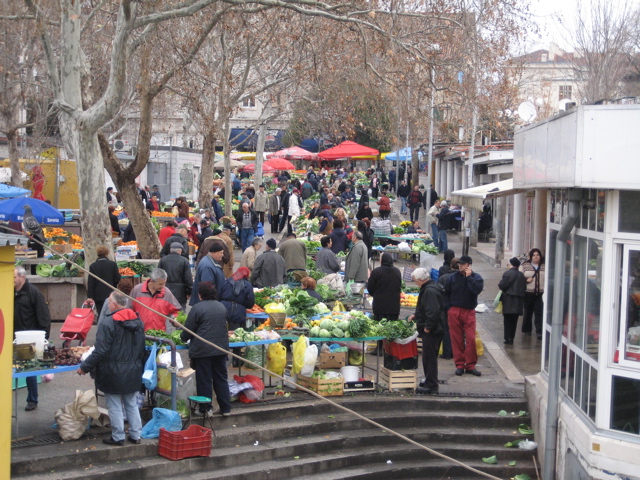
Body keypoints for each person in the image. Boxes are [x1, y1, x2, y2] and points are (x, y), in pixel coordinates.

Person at [77, 292, 145, 445]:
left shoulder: (108, 323)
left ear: (114, 304)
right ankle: (135, 434)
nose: (107, 305)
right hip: (133, 370)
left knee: (114, 405)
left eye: (109, 303)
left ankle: (118, 436)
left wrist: (85, 367)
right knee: (131, 404)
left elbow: (100, 350)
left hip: (112, 371)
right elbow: (141, 348)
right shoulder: (138, 321)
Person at [180, 281, 231, 417]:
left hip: (203, 350)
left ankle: (206, 408)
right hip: (220, 349)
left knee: (204, 379)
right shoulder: (221, 307)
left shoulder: (197, 308)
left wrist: (182, 337)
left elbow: (187, 330)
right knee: (221, 378)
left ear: (200, 294)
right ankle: (225, 408)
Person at [14, 267, 51, 411]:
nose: (12, 280)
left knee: (29, 370)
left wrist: (44, 338)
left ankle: (32, 400)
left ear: (22, 277)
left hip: (29, 339)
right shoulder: (11, 292)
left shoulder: (34, 293)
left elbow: (44, 317)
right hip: (14, 337)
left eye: (14, 277)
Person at [444, 255, 484, 376]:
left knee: (471, 338)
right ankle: (460, 365)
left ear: (469, 265)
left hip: (469, 311)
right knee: (457, 339)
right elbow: (446, 293)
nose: (460, 266)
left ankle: (471, 365)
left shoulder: (477, 278)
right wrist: (448, 308)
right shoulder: (453, 277)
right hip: (455, 310)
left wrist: (469, 278)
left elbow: (476, 290)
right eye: (459, 264)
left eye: (463, 264)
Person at [410, 268, 447, 394]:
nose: (415, 283)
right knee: (428, 357)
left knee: (429, 357)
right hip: (435, 328)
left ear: (420, 280)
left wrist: (428, 327)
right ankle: (429, 380)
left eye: (415, 281)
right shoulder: (431, 287)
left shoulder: (429, 291)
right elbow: (427, 308)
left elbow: (433, 311)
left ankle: (431, 385)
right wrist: (416, 315)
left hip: (433, 330)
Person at [367, 252, 402, 355]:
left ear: (382, 261)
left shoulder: (377, 272)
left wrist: (376, 294)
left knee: (380, 327)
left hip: (380, 304)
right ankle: (390, 349)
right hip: (394, 305)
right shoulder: (397, 271)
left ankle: (379, 348)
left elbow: (370, 288)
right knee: (391, 327)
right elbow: (399, 285)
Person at [498, 257, 527, 345]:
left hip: (508, 300)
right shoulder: (521, 275)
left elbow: (502, 285)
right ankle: (512, 338)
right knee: (514, 321)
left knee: (507, 320)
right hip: (518, 301)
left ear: (511, 264)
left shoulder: (507, 273)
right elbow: (524, 288)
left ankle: (507, 338)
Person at [87, 246, 121, 318]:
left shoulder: (93, 266)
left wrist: (90, 296)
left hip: (98, 294)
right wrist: (113, 285)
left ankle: (100, 326)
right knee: (110, 313)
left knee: (100, 313)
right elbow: (117, 277)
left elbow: (91, 282)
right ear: (106, 254)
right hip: (110, 293)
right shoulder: (112, 264)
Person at [157, 242, 194, 310]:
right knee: (180, 313)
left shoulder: (163, 260)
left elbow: (158, 275)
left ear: (170, 250)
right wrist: (190, 291)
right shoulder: (184, 261)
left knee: (165, 311)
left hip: (165, 290)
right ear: (180, 251)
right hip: (180, 293)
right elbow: (188, 279)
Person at [520, 248, 545, 339]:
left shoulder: (544, 266)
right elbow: (519, 277)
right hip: (528, 293)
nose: (536, 257)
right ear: (530, 256)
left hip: (541, 293)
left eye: (537, 255)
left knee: (539, 312)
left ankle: (539, 331)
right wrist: (526, 280)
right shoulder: (524, 265)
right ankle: (527, 330)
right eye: (534, 255)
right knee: (528, 312)